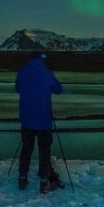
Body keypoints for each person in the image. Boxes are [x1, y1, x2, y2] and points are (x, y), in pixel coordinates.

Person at [15, 51, 64, 194]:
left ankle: (22, 178)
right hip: (44, 120)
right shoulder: (47, 73)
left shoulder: (23, 72)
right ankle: (44, 181)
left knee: (26, 149)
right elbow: (59, 89)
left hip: (27, 119)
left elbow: (17, 88)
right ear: (42, 60)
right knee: (44, 151)